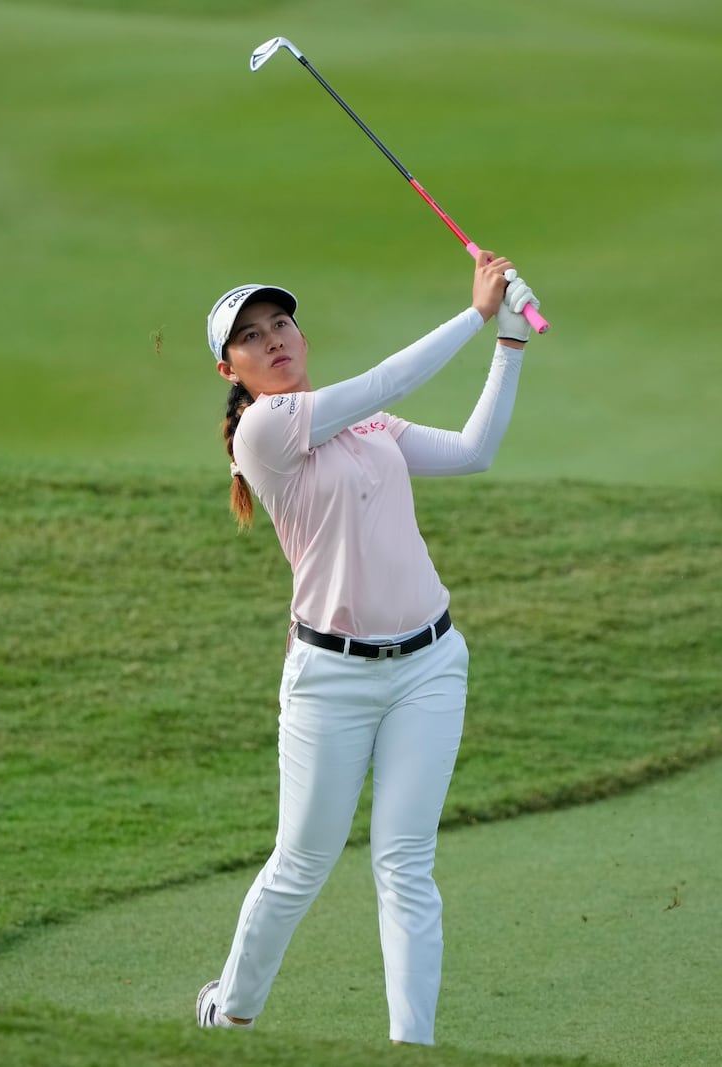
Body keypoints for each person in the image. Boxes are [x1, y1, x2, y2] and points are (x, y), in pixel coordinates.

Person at [194, 252, 540, 1046]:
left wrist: (509, 345)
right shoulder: (264, 430)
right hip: (331, 681)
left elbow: (472, 450)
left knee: (406, 864)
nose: (273, 339)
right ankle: (231, 1010)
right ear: (231, 368)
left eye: (280, 323)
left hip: (430, 664)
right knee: (301, 863)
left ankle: (411, 1047)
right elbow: (385, 379)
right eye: (251, 336)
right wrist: (477, 312)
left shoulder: (360, 425)